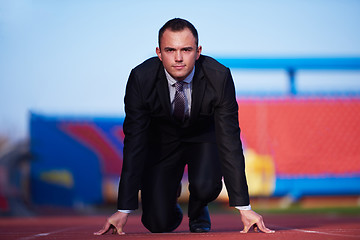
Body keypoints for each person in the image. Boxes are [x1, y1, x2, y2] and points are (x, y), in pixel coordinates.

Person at [95, 18, 274, 235]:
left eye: (186, 50)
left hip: (203, 138)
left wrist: (244, 207)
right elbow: (134, 142)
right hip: (161, 143)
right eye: (170, 50)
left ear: (198, 52)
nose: (178, 58)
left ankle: (199, 208)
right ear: (159, 53)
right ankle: (170, 198)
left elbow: (230, 140)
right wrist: (123, 208)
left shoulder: (219, 77)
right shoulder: (141, 78)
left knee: (207, 185)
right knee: (157, 224)